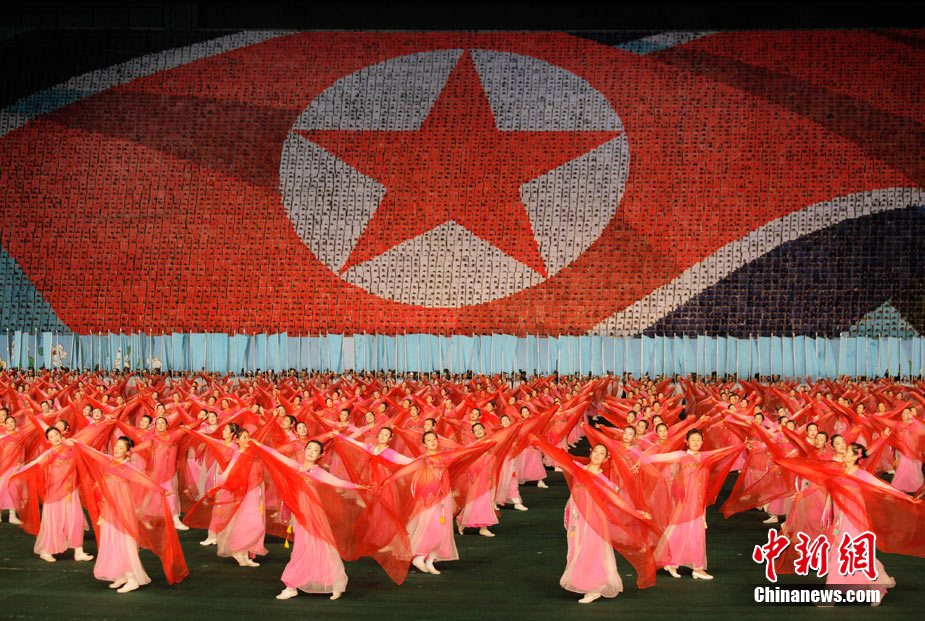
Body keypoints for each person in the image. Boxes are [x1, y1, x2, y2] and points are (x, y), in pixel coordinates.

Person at [12, 426, 94, 563]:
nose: (55, 438)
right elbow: (33, 465)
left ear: (61, 435)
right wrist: (16, 475)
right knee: (55, 521)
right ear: (47, 440)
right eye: (51, 437)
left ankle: (78, 551)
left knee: (76, 519)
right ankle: (46, 551)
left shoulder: (71, 449)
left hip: (70, 491)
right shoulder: (49, 454)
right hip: (54, 492)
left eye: (56, 434)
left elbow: (86, 446)